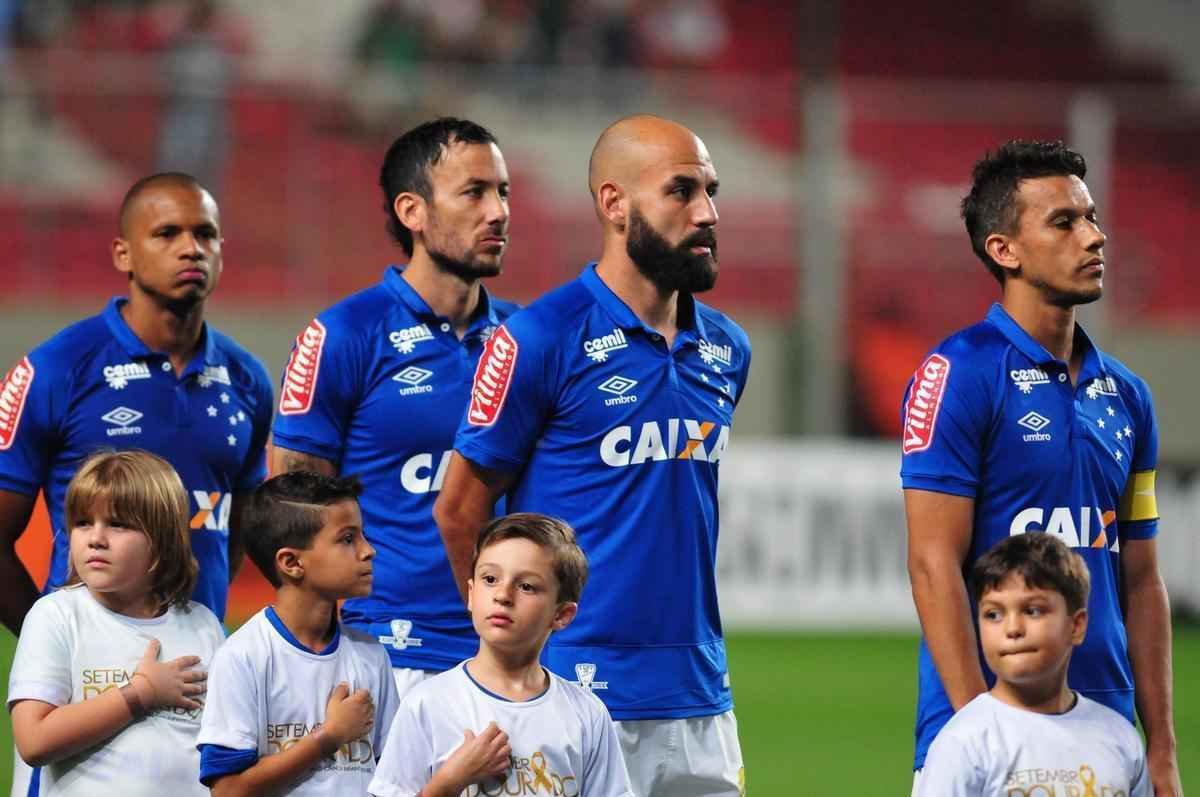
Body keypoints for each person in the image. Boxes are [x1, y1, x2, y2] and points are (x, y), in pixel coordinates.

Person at [436, 115, 751, 797]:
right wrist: (508, 657)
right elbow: (460, 509)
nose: (708, 212)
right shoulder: (539, 338)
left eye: (712, 191)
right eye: (681, 191)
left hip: (699, 692)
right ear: (614, 204)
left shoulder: (729, 349)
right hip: (572, 692)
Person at [901, 140, 1181, 795]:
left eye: (1091, 217)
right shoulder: (960, 374)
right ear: (1005, 249)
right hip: (988, 731)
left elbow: (1141, 581)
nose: (1094, 235)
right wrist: (982, 727)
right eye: (1065, 221)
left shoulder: (1130, 397)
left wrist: (1161, 750)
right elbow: (932, 563)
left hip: (1108, 734)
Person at [270, 117, 519, 701]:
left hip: (508, 653)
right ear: (413, 211)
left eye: (503, 192)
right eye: (474, 193)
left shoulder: (525, 338)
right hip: (386, 657)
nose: (499, 211)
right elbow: (293, 503)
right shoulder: (344, 335)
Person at [0, 171, 274, 628]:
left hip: (199, 671)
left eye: (205, 234)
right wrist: (46, 642)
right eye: (167, 233)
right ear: (123, 253)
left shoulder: (247, 379)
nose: (191, 248)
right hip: (87, 679)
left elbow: (236, 531)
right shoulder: (57, 369)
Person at [368, 512, 633, 797]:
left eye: (526, 586)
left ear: (562, 615)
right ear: (471, 594)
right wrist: (450, 782)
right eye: (490, 578)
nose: (503, 595)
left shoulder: (587, 714)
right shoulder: (426, 703)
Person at [7, 450, 224, 796]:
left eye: (118, 524)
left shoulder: (202, 626)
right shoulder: (57, 616)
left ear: (163, 537)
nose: (96, 538)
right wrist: (140, 694)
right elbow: (34, 741)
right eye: (82, 523)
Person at [197, 471, 399, 795]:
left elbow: (394, 781)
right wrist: (328, 738)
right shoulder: (242, 657)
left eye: (363, 536)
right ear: (291, 562)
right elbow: (228, 790)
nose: (368, 551)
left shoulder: (372, 655)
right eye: (348, 539)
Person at [916, 533, 1150, 796]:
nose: (1013, 628)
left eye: (1033, 611)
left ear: (1077, 625)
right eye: (993, 614)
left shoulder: (1119, 739)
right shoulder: (964, 742)